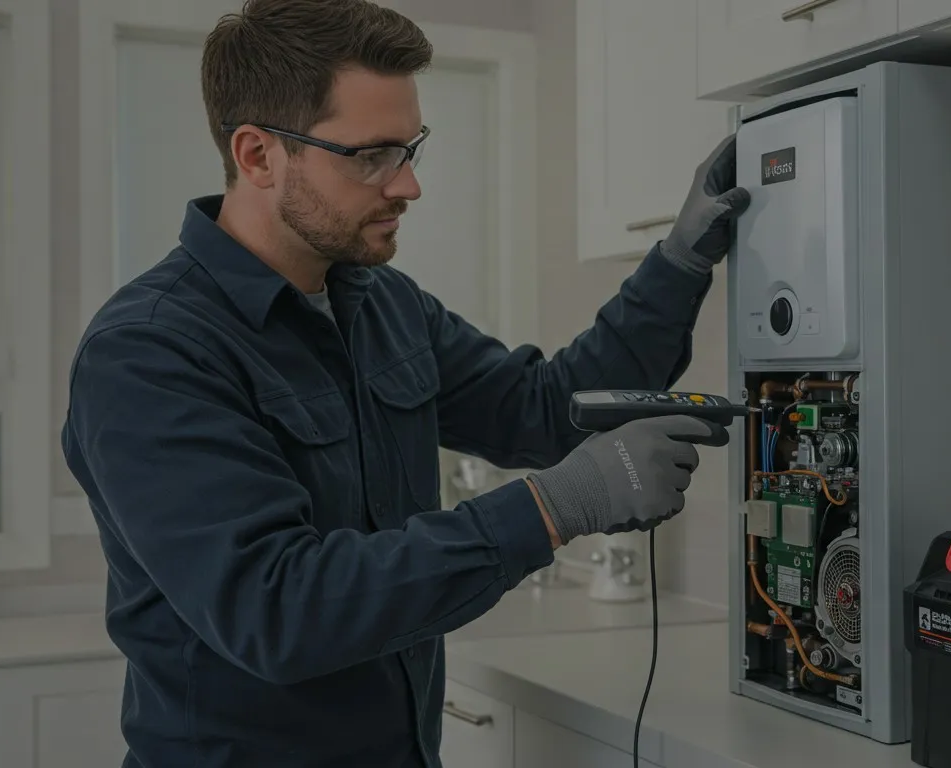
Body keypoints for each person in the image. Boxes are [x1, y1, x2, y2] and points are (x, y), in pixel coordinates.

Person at [59, 0, 751, 765]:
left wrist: (679, 262)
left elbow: (548, 410)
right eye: (371, 156)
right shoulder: (150, 352)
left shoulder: (381, 302)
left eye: (410, 148)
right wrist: (557, 506)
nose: (408, 186)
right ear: (257, 155)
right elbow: (277, 609)